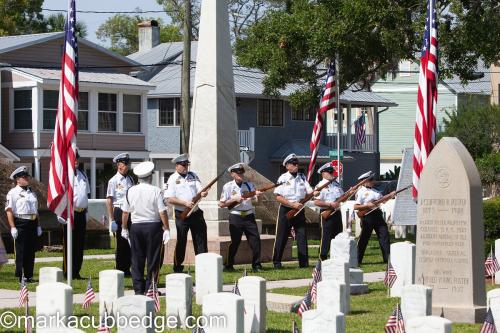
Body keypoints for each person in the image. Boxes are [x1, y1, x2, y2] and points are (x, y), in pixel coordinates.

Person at [120, 161, 170, 295]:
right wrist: (167, 229)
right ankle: (150, 288)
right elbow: (162, 212)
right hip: (153, 226)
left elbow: (125, 212)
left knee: (137, 259)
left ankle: (138, 289)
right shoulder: (156, 190)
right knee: (153, 259)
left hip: (136, 226)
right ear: (150, 176)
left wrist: (124, 228)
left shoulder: (130, 190)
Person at [164, 153, 208, 273]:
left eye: (186, 165)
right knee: (181, 241)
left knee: (200, 240)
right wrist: (184, 203)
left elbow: (200, 189)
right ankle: (178, 267)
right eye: (183, 165)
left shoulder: (193, 175)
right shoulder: (173, 179)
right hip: (181, 214)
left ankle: (203, 265)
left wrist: (202, 193)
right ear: (177, 166)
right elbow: (169, 199)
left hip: (195, 212)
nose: (185, 167)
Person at [219, 163, 262, 272]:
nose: (241, 175)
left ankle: (256, 265)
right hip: (236, 216)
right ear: (232, 174)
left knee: (255, 240)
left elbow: (255, 201)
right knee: (235, 241)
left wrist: (257, 196)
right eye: (238, 173)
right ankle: (228, 264)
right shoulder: (228, 186)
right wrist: (234, 199)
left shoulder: (248, 185)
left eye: (242, 173)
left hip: (248, 215)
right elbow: (222, 204)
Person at [272, 153, 313, 268]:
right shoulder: (283, 178)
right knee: (282, 236)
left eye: (297, 163)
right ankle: (277, 262)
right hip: (286, 209)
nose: (296, 165)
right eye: (293, 163)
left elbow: (309, 191)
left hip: (299, 210)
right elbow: (278, 197)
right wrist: (292, 204)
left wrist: (315, 192)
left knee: (302, 236)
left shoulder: (302, 177)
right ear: (287, 166)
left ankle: (304, 263)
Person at [5, 166, 42, 282]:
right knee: (21, 250)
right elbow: (9, 211)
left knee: (31, 250)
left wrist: (38, 225)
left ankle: (29, 275)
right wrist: (13, 227)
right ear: (17, 179)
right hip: (20, 222)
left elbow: (36, 210)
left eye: (27, 176)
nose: (27, 179)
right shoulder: (13, 193)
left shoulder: (32, 192)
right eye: (24, 177)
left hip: (32, 222)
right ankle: (20, 276)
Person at [59, 150, 90, 279]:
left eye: (77, 158)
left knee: (79, 244)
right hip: (69, 213)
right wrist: (60, 212)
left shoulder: (83, 174)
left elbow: (86, 194)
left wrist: (86, 211)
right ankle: (67, 271)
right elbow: (60, 195)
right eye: (73, 158)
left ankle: (76, 271)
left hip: (81, 213)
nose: (76, 160)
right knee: (69, 244)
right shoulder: (65, 175)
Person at [354, 171, 391, 265]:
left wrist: (390, 196)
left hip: (377, 215)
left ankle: (387, 259)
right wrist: (367, 206)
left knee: (384, 235)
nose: (373, 181)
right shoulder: (361, 192)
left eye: (372, 179)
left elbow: (383, 200)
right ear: (364, 181)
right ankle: (357, 259)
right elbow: (356, 207)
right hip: (367, 217)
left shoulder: (376, 191)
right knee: (364, 239)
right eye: (370, 180)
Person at [106, 153, 134, 276]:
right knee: (121, 242)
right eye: (125, 164)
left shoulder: (130, 179)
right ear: (119, 165)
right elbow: (109, 200)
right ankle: (120, 267)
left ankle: (127, 267)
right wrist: (111, 219)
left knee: (130, 240)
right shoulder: (113, 181)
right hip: (119, 211)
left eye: (128, 164)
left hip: (130, 212)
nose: (128, 166)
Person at [313, 162, 344, 260]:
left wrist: (349, 193)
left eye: (332, 172)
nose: (332, 174)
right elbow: (316, 202)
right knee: (326, 236)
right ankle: (322, 257)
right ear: (323, 173)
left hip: (337, 213)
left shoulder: (336, 184)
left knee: (338, 235)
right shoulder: (320, 186)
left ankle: (336, 256)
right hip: (327, 213)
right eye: (329, 172)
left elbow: (342, 196)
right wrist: (329, 204)